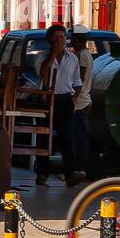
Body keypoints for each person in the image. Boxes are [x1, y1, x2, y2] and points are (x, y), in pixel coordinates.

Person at [34, 24, 84, 187]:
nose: (59, 41)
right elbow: (42, 72)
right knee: (44, 137)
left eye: (62, 37)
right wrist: (53, 54)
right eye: (55, 37)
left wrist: (74, 98)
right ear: (49, 39)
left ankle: (71, 173)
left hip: (64, 100)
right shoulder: (42, 56)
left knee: (67, 138)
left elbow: (77, 82)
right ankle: (42, 173)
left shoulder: (73, 59)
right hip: (47, 99)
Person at [71, 29, 95, 176]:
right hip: (80, 100)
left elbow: (79, 79)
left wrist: (73, 99)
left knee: (80, 137)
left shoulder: (82, 56)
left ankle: (80, 168)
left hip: (80, 102)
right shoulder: (82, 55)